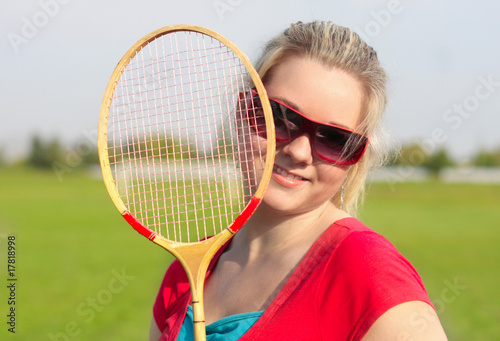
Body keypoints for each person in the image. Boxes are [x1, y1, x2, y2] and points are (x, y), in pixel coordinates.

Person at [149, 21, 448, 340]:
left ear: (357, 155)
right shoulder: (188, 270)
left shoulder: (369, 272)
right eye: (281, 117)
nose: (300, 151)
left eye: (334, 138)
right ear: (243, 110)